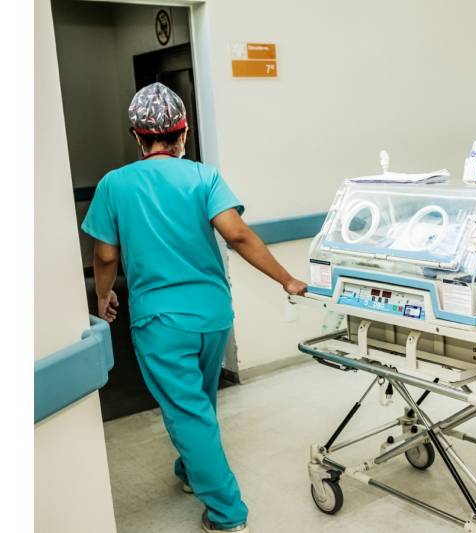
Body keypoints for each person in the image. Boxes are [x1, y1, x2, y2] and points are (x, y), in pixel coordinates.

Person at [82, 82, 307, 533]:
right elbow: (237, 234)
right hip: (213, 316)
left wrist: (104, 296)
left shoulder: (114, 185)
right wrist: (286, 278)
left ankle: (227, 515)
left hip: (161, 322)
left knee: (187, 411)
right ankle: (190, 470)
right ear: (183, 133)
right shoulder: (204, 177)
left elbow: (105, 256)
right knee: (199, 401)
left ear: (137, 136)